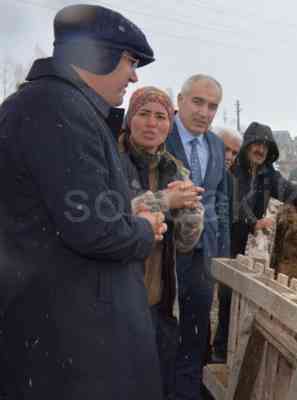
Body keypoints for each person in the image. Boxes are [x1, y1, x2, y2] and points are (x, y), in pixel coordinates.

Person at [0, 4, 167, 400]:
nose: (134, 74)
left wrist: (123, 214)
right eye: (129, 60)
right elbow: (96, 232)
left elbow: (68, 211)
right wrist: (145, 227)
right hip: (71, 344)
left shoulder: (52, 106)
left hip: (61, 332)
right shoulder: (56, 109)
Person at [118, 86, 206, 399]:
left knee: (156, 385)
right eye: (143, 114)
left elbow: (184, 243)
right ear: (130, 119)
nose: (152, 124)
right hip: (114, 301)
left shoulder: (175, 168)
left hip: (159, 299)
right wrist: (165, 200)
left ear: (170, 124)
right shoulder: (111, 160)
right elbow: (111, 218)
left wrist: (192, 212)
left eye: (160, 117)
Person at [211, 122, 297, 362]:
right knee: (225, 297)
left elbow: (289, 191)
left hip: (245, 245)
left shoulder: (267, 175)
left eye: (265, 145)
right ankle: (219, 354)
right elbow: (232, 202)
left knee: (240, 297)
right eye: (256, 144)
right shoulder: (232, 169)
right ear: (247, 145)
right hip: (224, 237)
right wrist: (253, 222)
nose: (260, 149)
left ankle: (232, 352)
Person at [165, 74, 230, 400]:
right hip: (163, 251)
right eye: (198, 102)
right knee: (164, 325)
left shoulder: (216, 146)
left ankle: (188, 393)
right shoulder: (159, 135)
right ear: (180, 100)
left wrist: (223, 254)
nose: (205, 112)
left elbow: (220, 199)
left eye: (212, 106)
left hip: (204, 254)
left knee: (196, 325)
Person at [209, 126, 240, 364]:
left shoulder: (229, 180)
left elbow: (228, 219)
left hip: (220, 256)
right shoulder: (198, 172)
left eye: (234, 152)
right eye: (225, 149)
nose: (229, 156)